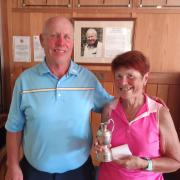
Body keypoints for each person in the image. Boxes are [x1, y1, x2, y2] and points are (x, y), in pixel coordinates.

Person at [5, 16, 113, 180]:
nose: (61, 43)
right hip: (34, 172)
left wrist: (148, 102)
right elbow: (14, 128)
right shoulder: (24, 81)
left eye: (67, 36)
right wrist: (12, 166)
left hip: (79, 173)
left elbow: (112, 105)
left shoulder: (88, 80)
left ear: (73, 42)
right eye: (54, 36)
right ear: (42, 40)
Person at [95, 50, 180, 180]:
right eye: (119, 76)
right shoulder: (109, 109)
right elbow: (105, 148)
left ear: (145, 78)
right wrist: (100, 148)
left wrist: (145, 164)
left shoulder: (159, 113)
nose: (123, 82)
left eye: (130, 76)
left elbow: (175, 162)